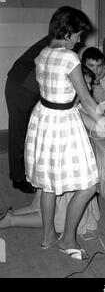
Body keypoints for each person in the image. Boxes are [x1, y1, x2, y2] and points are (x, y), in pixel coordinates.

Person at [24, 6, 105, 260]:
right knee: (90, 183)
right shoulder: (69, 58)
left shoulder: (43, 53)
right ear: (67, 32)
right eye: (78, 34)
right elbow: (87, 100)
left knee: (48, 184)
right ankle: (67, 238)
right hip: (63, 122)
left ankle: (48, 236)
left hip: (43, 118)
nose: (79, 39)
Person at [5, 35, 52, 193]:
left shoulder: (59, 42)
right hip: (21, 86)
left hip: (31, 87)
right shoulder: (54, 45)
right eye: (78, 34)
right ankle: (17, 178)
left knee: (30, 132)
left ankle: (29, 171)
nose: (79, 39)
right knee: (19, 132)